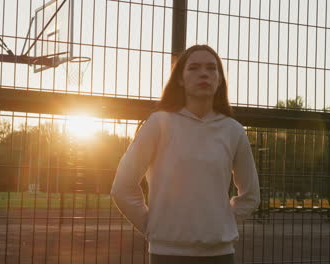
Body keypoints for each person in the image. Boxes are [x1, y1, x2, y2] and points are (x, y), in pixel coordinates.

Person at [110, 44, 260, 264]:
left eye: (211, 68)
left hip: (219, 254)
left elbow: (250, 195)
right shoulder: (158, 124)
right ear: (180, 79)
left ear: (219, 80)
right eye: (194, 68)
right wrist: (152, 227)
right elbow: (122, 187)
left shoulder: (233, 131)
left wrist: (223, 222)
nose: (204, 73)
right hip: (166, 253)